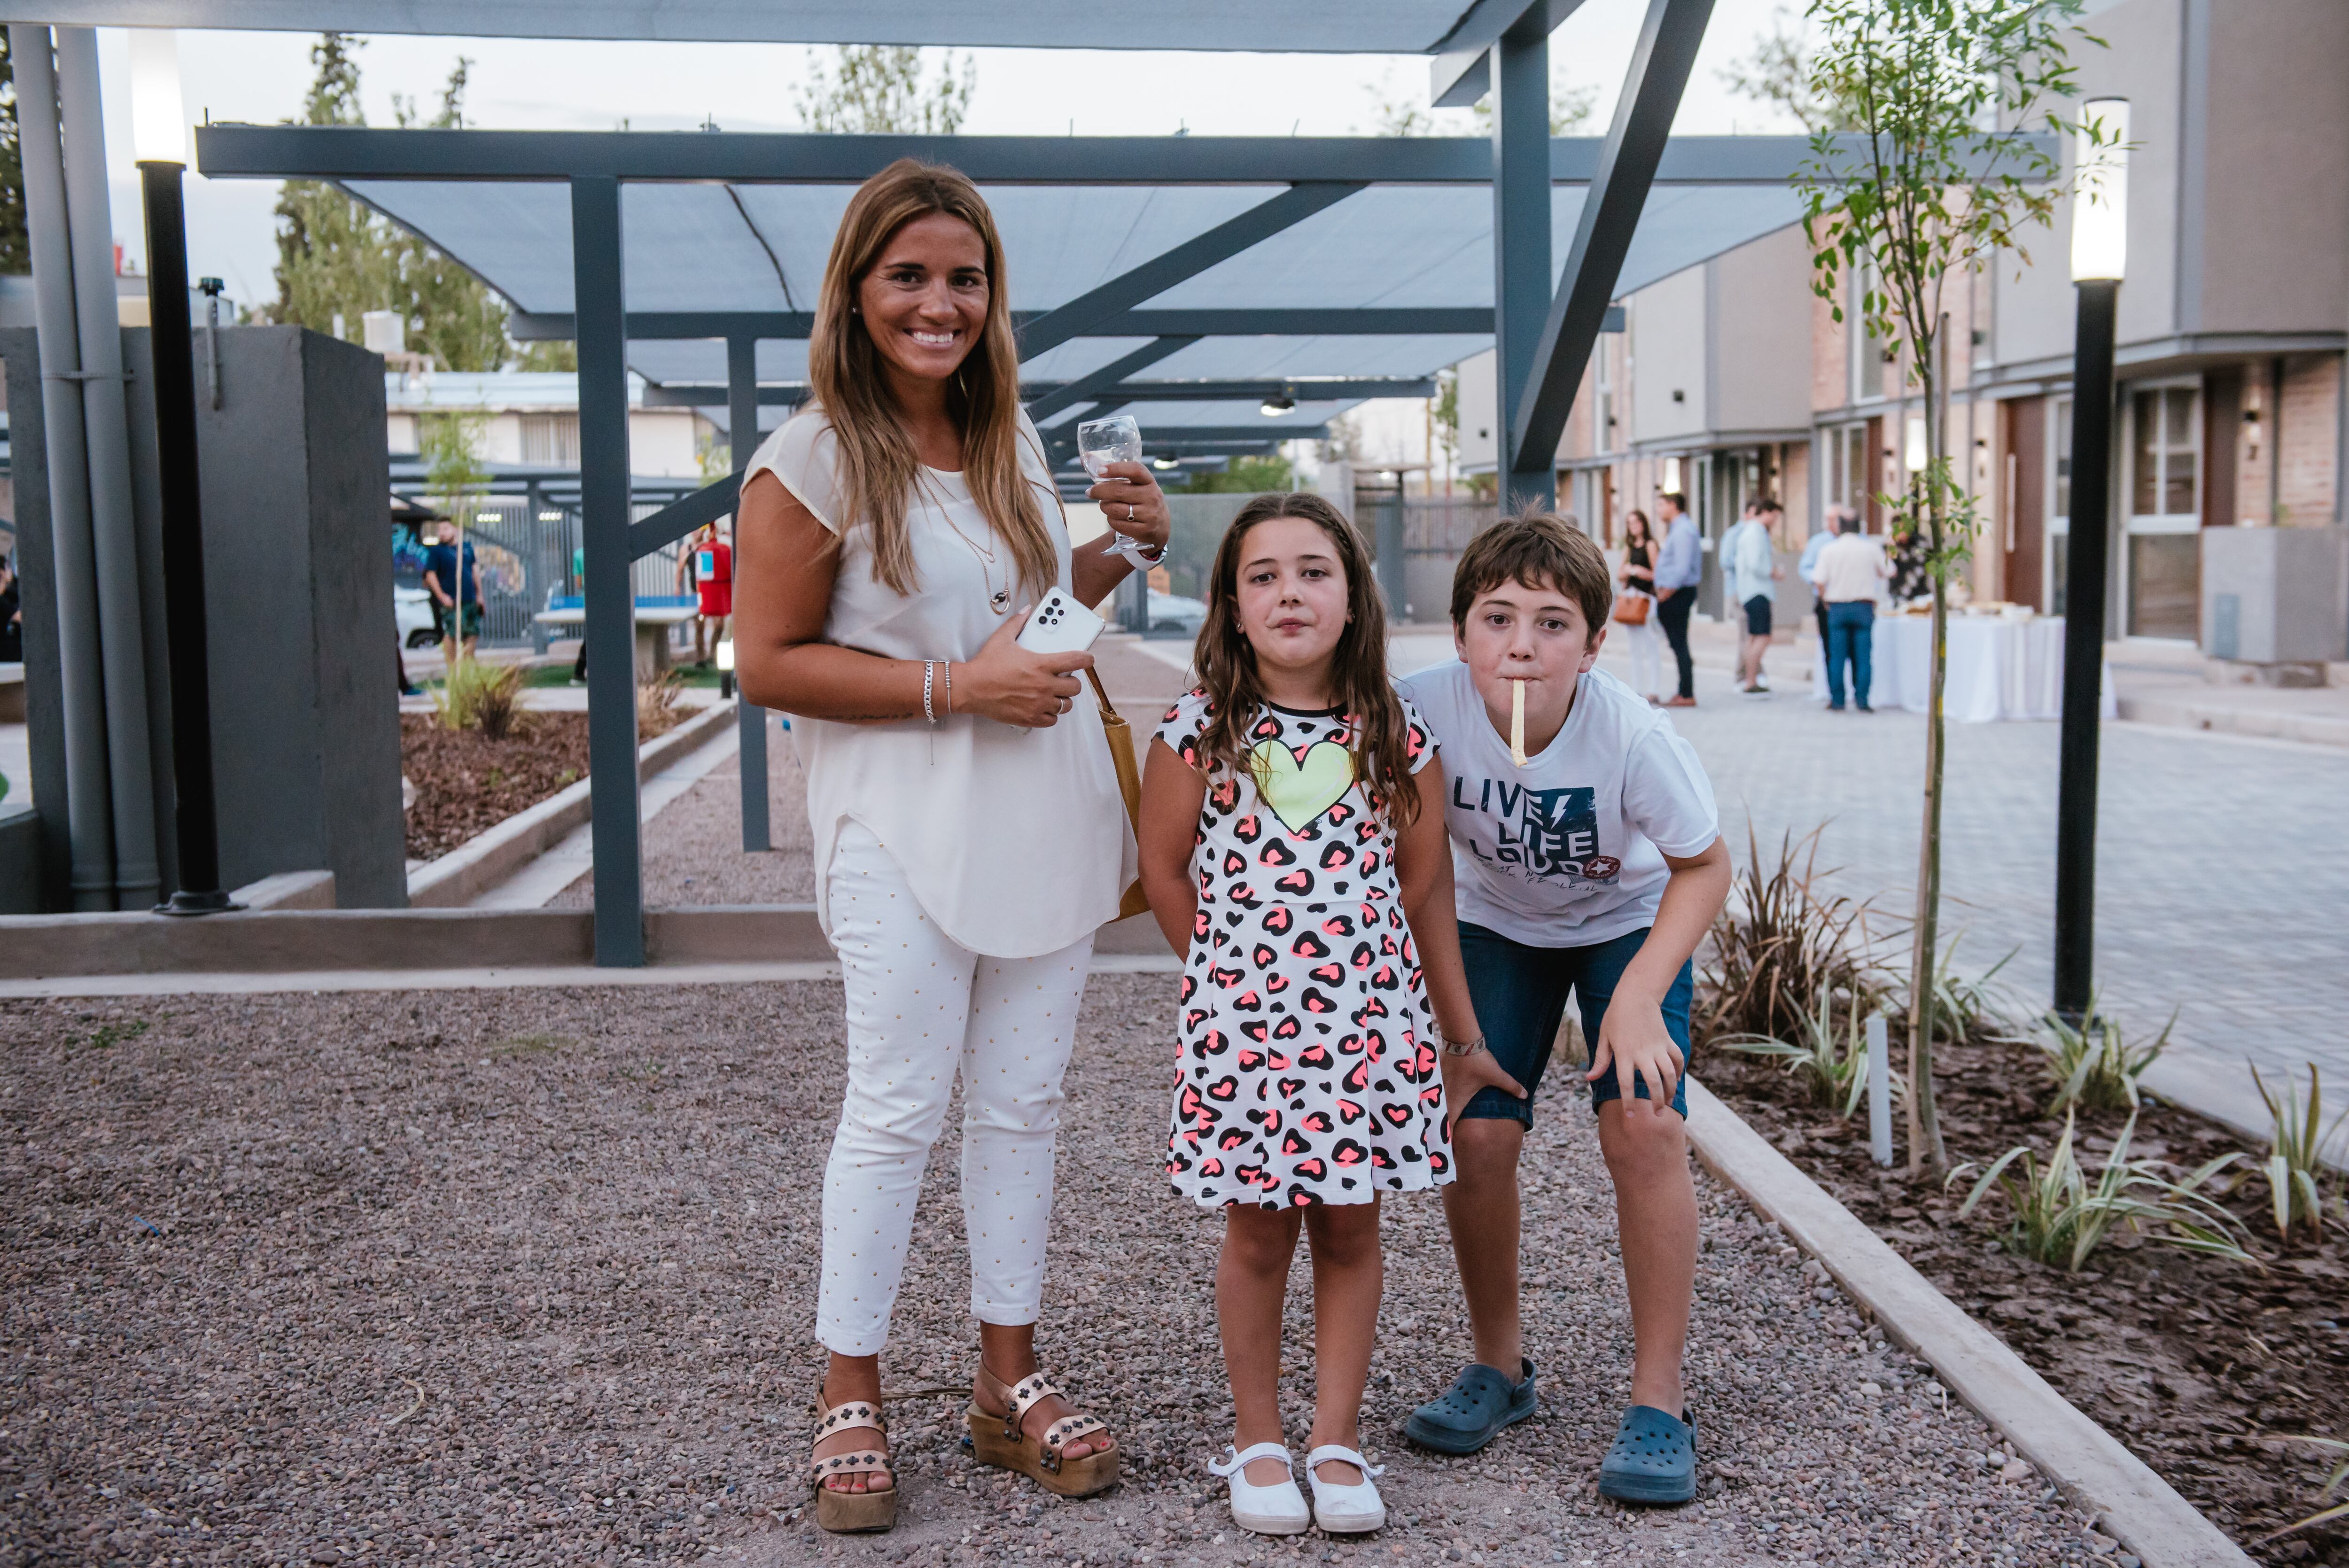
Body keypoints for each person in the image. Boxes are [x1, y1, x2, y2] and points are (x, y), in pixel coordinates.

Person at [733, 159, 1167, 1536]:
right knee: (896, 1104)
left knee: (1022, 1107)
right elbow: (765, 661)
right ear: (857, 293)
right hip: (900, 826)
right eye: (908, 275)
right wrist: (949, 692)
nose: (939, 302)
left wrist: (1113, 556)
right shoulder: (809, 457)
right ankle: (845, 1386)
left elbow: (1030, 628)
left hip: (1040, 813)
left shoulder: (1012, 442)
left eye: (963, 277)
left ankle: (1004, 1377)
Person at [1137, 492, 1482, 1539]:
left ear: (1352, 595)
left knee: (1348, 1226)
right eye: (1263, 575)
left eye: (1313, 570)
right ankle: (1257, 1439)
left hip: (1367, 1034)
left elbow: (1423, 889)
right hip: (1244, 1033)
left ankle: (1334, 1442)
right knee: (1255, 1234)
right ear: (1232, 607)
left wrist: (1452, 1033)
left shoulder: (1397, 730)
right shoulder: (1199, 727)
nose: (1290, 590)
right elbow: (1161, 867)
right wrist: (1224, 980)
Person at [1394, 512, 1730, 1506]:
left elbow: (1703, 867)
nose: (1522, 646)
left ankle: (1659, 1400)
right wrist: (1456, 1036)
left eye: (1552, 623)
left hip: (1626, 919)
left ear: (1593, 642)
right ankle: (1500, 1369)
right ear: (1459, 636)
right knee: (1479, 1132)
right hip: (1499, 923)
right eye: (1497, 618)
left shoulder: (1633, 734)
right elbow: (1421, 879)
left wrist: (1633, 999)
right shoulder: (1421, 710)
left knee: (1643, 1121)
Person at [1810, 512, 1891, 712]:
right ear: (1859, 528)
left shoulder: (1829, 549)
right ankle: (1862, 700)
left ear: (1840, 527)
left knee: (1836, 656)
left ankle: (1837, 700)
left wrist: (1825, 598)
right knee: (1863, 656)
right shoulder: (1870, 548)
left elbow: (1818, 580)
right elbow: (1889, 571)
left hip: (1837, 606)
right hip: (1864, 606)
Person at [1719, 499, 1781, 696]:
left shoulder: (1750, 532)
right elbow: (1755, 564)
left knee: (1753, 637)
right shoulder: (1756, 532)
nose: (1776, 521)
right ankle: (1750, 680)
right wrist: (1773, 573)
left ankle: (1750, 679)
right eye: (1776, 516)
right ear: (1768, 513)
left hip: (1750, 591)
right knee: (1761, 637)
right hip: (1757, 591)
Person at [1650, 490, 1700, 708]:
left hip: (1677, 593)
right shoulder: (1678, 529)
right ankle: (1684, 691)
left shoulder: (1683, 531)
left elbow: (1681, 568)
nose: (1658, 510)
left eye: (1661, 505)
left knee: (1680, 644)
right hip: (1673, 593)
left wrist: (1666, 593)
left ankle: (1686, 693)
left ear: (1673, 506)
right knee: (1677, 643)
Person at [1616, 510, 1664, 704]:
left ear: (1643, 523)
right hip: (1630, 599)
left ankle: (1654, 689)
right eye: (1630, 523)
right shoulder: (1628, 548)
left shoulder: (1651, 545)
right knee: (1634, 647)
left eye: (1636, 522)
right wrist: (1628, 571)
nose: (1633, 526)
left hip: (1646, 599)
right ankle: (1636, 689)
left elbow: (1657, 574)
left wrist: (1636, 571)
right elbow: (1620, 574)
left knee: (1650, 644)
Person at [421, 520, 482, 667]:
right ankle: (454, 669)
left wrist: (480, 594)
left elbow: (474, 571)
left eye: (446, 528)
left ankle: (469, 667)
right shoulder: (437, 552)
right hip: (452, 600)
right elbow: (430, 575)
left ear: (455, 529)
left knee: (472, 632)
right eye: (439, 529)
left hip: (470, 598)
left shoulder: (466, 548)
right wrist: (442, 596)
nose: (442, 532)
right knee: (452, 633)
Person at [676, 522, 735, 665]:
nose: (696, 532)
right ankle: (700, 657)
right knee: (699, 625)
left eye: (698, 529)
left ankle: (712, 654)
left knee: (719, 624)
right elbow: (680, 569)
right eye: (693, 530)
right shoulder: (687, 549)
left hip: (714, 592)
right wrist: (677, 587)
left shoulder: (710, 547)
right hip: (697, 593)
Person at [1797, 508, 1843, 656]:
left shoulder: (1859, 540)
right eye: (1831, 520)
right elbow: (1806, 568)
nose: (1834, 523)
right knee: (1830, 646)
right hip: (1826, 600)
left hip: (1851, 599)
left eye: (1838, 519)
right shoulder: (1818, 542)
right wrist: (1820, 580)